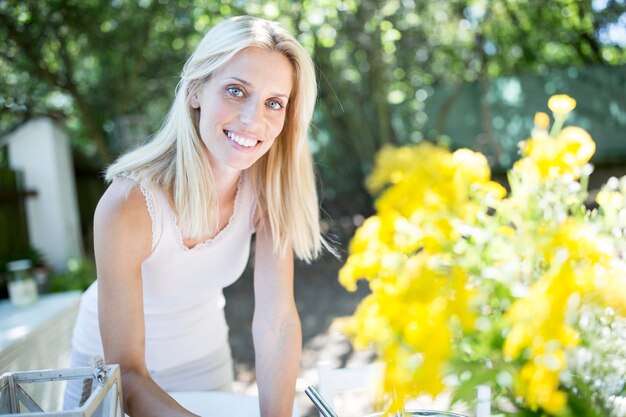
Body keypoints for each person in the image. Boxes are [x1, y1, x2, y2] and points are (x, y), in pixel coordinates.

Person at [64, 15, 328, 417]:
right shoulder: (129, 204)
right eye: (236, 91)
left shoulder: (269, 188)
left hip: (204, 361)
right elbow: (129, 376)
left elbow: (277, 326)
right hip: (110, 375)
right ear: (195, 92)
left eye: (274, 102)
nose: (253, 119)